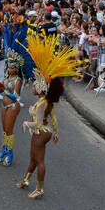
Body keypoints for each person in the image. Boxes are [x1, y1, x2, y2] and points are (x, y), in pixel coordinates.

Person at [16, 33, 85, 200]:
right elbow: (52, 116)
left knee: (39, 160)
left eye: (34, 85)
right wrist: (56, 131)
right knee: (33, 158)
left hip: (40, 134)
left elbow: (38, 123)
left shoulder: (41, 104)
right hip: (45, 132)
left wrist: (26, 123)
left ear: (40, 88)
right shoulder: (46, 101)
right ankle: (25, 180)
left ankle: (39, 189)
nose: (32, 87)